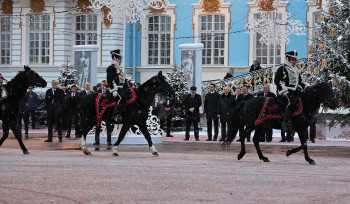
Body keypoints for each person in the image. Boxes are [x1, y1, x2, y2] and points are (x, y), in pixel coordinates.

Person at [274, 51, 310, 132]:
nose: (294, 61)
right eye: (292, 60)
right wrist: (284, 90)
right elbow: (277, 81)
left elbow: (301, 81)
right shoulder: (282, 68)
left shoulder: (296, 69)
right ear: (288, 59)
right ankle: (285, 122)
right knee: (292, 102)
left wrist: (307, 87)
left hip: (296, 91)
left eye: (295, 60)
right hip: (286, 91)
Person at [107, 49, 127, 123]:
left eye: (120, 58)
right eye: (119, 58)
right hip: (116, 89)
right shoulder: (111, 68)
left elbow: (122, 79)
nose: (120, 60)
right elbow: (110, 80)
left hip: (121, 88)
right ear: (114, 58)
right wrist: (114, 89)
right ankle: (115, 115)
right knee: (122, 98)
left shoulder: (119, 68)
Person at [94, 80, 114, 146]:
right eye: (102, 84)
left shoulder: (110, 91)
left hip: (107, 111)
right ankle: (97, 140)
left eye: (104, 84)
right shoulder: (98, 92)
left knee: (108, 126)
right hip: (99, 111)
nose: (103, 85)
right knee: (97, 126)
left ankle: (109, 141)